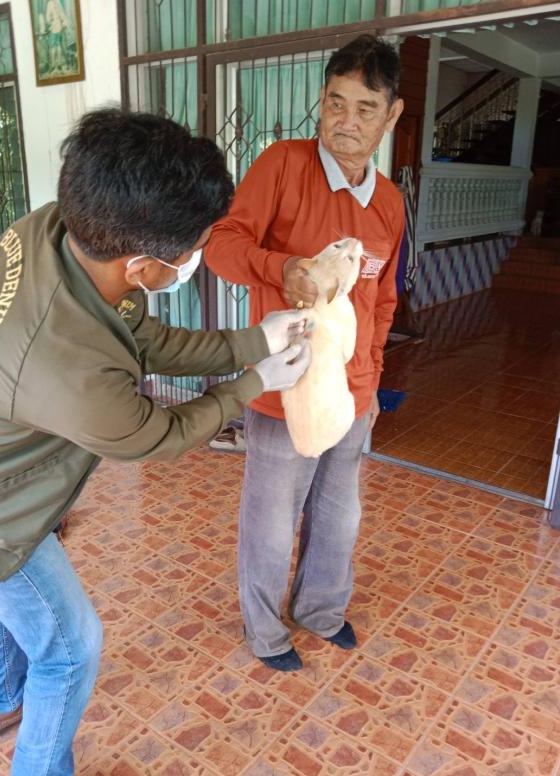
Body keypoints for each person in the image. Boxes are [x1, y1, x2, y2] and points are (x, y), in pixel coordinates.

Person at [0, 109, 310, 776]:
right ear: (143, 265)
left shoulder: (57, 229)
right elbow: (163, 435)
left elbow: (142, 338)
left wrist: (256, 342)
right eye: (194, 249)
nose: (196, 258)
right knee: (70, 648)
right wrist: (253, 385)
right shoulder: (72, 371)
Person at [205, 34, 405, 671]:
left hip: (353, 393)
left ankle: (321, 609)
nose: (346, 122)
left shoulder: (390, 203)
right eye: (335, 103)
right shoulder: (282, 165)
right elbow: (220, 246)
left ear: (391, 115)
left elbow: (383, 301)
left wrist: (372, 382)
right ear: (321, 100)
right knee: (271, 520)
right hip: (282, 386)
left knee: (339, 515)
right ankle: (265, 631)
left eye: (365, 109)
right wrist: (280, 267)